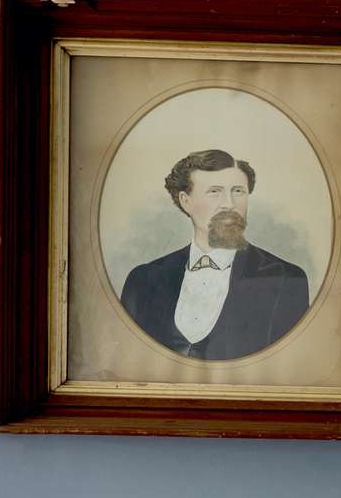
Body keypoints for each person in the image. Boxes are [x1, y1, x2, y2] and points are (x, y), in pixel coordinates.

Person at [120, 148, 310, 359]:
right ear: (186, 201)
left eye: (238, 191)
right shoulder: (142, 281)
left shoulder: (286, 280)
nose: (229, 203)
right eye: (215, 191)